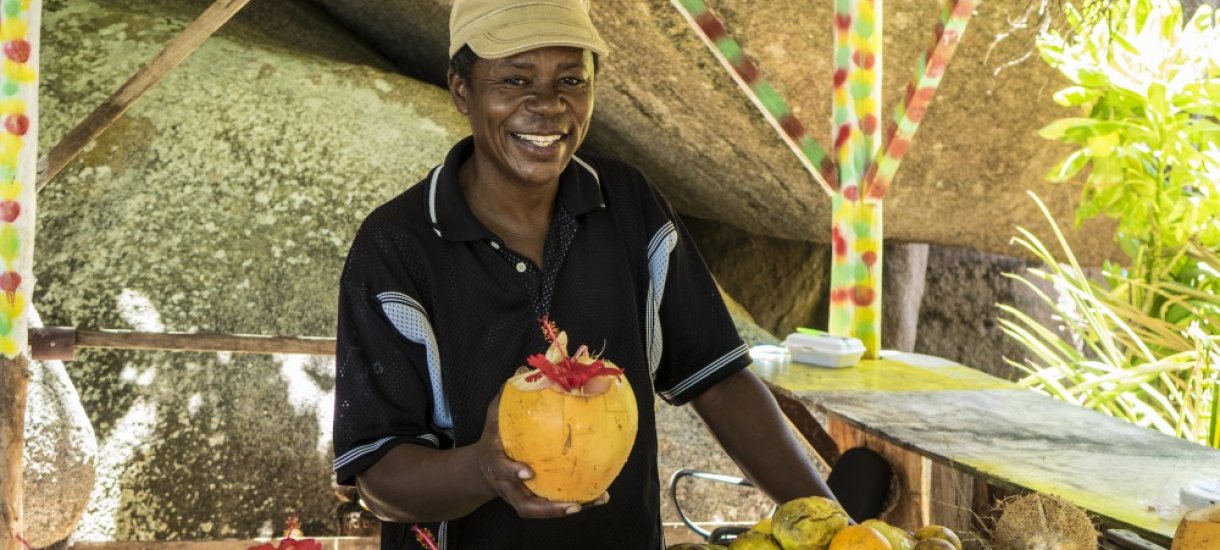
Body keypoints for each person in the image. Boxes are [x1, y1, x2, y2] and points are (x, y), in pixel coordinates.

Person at [332, 0, 861, 547]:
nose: (547, 106)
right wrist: (482, 470)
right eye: (515, 80)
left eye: (571, 80)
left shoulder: (627, 204)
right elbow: (378, 477)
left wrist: (838, 530)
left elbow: (720, 381)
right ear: (462, 89)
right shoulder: (396, 246)